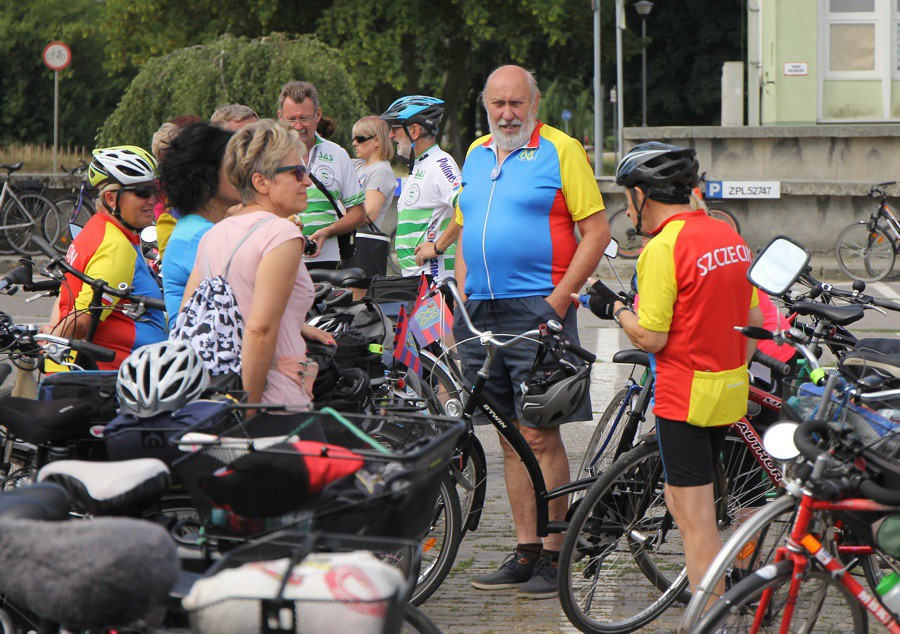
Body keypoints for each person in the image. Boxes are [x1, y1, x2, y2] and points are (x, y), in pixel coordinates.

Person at [578, 141, 763, 599]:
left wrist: (614, 308)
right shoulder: (729, 237)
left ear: (643, 194)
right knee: (682, 502)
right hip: (728, 391)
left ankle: (710, 617)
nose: (627, 210)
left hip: (683, 398)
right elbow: (754, 323)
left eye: (627, 198)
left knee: (697, 525)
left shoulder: (663, 248)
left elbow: (651, 337)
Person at [454, 65, 609, 598]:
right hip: (480, 311)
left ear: (534, 103)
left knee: (540, 433)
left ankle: (554, 551)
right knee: (506, 434)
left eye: (515, 103)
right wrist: (464, 289)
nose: (506, 114)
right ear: (486, 106)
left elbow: (597, 232)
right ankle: (525, 550)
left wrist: (558, 301)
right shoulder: (476, 152)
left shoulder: (561, 150)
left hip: (537, 308)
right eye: (497, 104)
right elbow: (465, 226)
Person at [179, 119, 333, 407]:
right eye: (298, 172)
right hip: (269, 392)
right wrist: (247, 410)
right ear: (261, 182)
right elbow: (259, 330)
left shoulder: (214, 233)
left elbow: (189, 311)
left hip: (215, 392)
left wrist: (295, 323)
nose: (308, 182)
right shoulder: (282, 233)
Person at [48, 146, 167, 370]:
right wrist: (50, 340)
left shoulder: (97, 227)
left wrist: (52, 336)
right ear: (111, 199)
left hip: (86, 368)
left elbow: (65, 294)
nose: (153, 200)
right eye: (143, 191)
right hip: (108, 376)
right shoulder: (115, 248)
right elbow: (84, 319)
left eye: (155, 190)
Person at [158, 122, 242, 330]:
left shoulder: (197, 227)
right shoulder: (201, 235)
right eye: (232, 165)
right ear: (206, 176)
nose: (243, 173)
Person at [276, 81, 366, 269]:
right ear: (280, 117)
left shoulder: (337, 153)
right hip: (280, 258)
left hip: (327, 259)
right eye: (291, 119)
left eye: (304, 118)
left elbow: (358, 214)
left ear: (318, 115)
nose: (298, 126)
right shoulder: (270, 155)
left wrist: (328, 231)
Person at [380, 96, 461, 281]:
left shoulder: (440, 163)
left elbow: (466, 205)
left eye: (395, 128)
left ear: (414, 131)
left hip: (436, 280)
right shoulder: (420, 165)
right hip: (418, 279)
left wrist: (437, 247)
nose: (391, 135)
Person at [351, 116, 396, 230]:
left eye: (360, 139)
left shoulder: (381, 171)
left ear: (376, 141)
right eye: (354, 138)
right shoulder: (357, 165)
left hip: (363, 238)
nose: (354, 143)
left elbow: (368, 214)